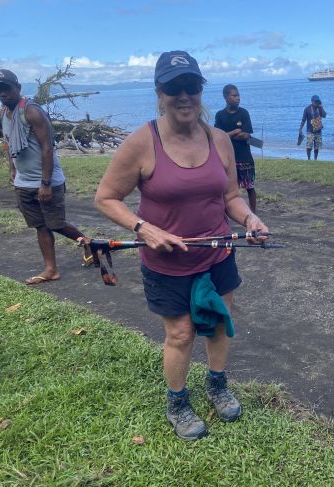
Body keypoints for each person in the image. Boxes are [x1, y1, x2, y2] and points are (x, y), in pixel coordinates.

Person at [95, 51, 269, 441]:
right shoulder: (142, 142)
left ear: (201, 90)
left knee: (220, 319)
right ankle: (177, 401)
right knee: (181, 334)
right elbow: (106, 197)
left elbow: (230, 197)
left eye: (191, 86)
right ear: (159, 92)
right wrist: (144, 228)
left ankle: (217, 384)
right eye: (175, 88)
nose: (184, 95)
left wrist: (249, 219)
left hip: (218, 251)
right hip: (166, 263)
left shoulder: (219, 139)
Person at [0, 69, 91, 285]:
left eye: (6, 88)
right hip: (24, 182)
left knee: (55, 223)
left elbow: (47, 147)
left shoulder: (31, 111)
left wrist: (45, 184)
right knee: (41, 226)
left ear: (17, 88)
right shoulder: (4, 113)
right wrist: (12, 168)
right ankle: (51, 269)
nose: (3, 93)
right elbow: (9, 143)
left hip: (47, 181)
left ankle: (88, 243)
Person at [215, 84, 257, 212]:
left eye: (238, 95)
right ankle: (225, 213)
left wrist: (228, 135)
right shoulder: (220, 115)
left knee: (250, 187)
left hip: (244, 157)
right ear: (226, 97)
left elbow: (246, 135)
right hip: (227, 158)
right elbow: (219, 137)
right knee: (226, 188)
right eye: (234, 95)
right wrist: (234, 132)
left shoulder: (244, 113)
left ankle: (253, 213)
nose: (238, 98)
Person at [299, 95, 326, 160]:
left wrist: (321, 107)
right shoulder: (307, 109)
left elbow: (324, 115)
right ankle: (309, 159)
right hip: (310, 131)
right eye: (315, 101)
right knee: (309, 146)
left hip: (318, 130)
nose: (316, 103)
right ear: (312, 101)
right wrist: (300, 129)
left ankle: (315, 159)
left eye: (317, 101)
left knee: (317, 146)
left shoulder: (319, 108)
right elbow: (303, 120)